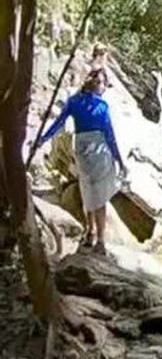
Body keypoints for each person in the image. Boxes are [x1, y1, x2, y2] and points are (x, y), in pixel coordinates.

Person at [37, 68, 126, 255]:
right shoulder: (102, 107)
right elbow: (109, 135)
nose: (104, 88)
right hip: (98, 150)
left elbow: (58, 123)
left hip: (82, 150)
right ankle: (100, 241)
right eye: (103, 84)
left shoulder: (74, 102)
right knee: (99, 197)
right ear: (97, 85)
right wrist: (119, 159)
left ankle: (90, 232)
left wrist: (43, 139)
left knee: (88, 192)